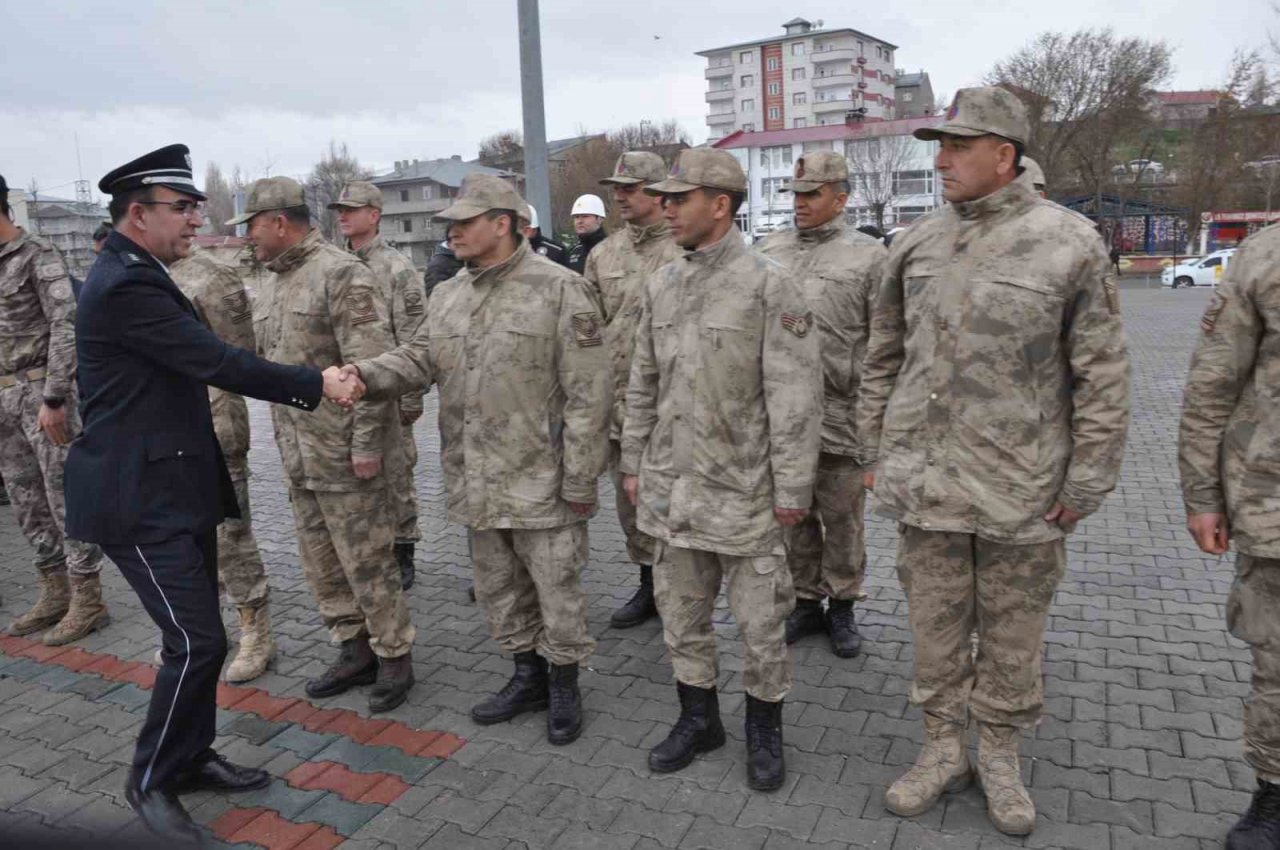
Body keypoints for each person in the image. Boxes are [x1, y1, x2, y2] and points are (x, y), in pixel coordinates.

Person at [857, 87, 1130, 835]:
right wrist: (875, 451)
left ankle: (1000, 756)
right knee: (935, 630)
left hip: (1023, 489)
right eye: (938, 145)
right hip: (927, 486)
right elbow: (881, 357)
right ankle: (943, 748)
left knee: (1012, 637)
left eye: (958, 146)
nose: (940, 160)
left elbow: (1102, 374)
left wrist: (1088, 480)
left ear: (1004, 155)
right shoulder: (913, 244)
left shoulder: (1068, 243)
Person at [66, 144, 357, 840]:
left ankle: (192, 756)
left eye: (197, 206)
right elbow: (212, 360)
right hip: (133, 497)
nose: (196, 219)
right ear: (138, 214)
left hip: (171, 484)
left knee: (206, 637)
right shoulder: (125, 285)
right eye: (183, 207)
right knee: (194, 642)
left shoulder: (139, 270)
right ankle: (150, 779)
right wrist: (315, 382)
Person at [342, 173, 610, 746]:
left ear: (503, 224)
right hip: (477, 476)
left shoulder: (562, 289)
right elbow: (418, 358)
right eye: (451, 224)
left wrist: (583, 476)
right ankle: (526, 675)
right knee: (499, 589)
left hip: (544, 477)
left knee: (556, 590)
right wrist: (363, 375)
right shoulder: (448, 294)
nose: (453, 233)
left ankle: (564, 683)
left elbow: (590, 395)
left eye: (464, 222)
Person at [621, 149, 822, 791]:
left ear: (721, 204)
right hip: (674, 491)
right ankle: (698, 718)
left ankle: (764, 729)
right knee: (681, 616)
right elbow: (642, 381)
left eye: (681, 198)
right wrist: (632, 461)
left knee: (761, 624)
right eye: (667, 198)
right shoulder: (662, 282)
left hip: (744, 492)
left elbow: (795, 396)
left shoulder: (771, 283)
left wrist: (792, 487)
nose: (668, 207)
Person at [225, 176, 416, 716]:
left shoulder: (341, 275)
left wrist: (366, 446)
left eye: (254, 227)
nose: (250, 238)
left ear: (279, 223)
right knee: (320, 562)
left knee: (368, 560)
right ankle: (352, 649)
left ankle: (395, 655)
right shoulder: (273, 282)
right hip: (297, 454)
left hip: (343, 453)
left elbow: (372, 370)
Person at [758, 151, 887, 659]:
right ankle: (805, 602)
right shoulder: (770, 249)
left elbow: (885, 340)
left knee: (843, 519)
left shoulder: (870, 257)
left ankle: (844, 605)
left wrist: (879, 421)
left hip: (843, 412)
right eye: (796, 195)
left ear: (841, 197)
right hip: (784, 414)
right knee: (795, 514)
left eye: (813, 195)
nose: (801, 204)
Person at [1178, 223, 1280, 849]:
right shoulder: (1266, 254)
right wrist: (1203, 494)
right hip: (1273, 506)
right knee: (1276, 666)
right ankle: (1274, 793)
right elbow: (1212, 385)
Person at [0, 172, 109, 646]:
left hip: (41, 395)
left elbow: (66, 326)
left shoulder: (37, 256)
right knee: (25, 499)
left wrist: (56, 397)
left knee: (66, 496)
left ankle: (89, 599)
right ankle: (53, 590)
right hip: (4, 399)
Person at [582, 151, 682, 629]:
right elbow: (588, 330)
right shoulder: (604, 255)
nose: (618, 195)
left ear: (659, 192)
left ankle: (683, 591)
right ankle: (649, 588)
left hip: (678, 409)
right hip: (622, 408)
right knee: (633, 508)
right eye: (616, 188)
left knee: (679, 509)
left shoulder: (686, 248)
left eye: (629, 187)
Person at [169, 245, 274, 682]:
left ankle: (257, 631)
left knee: (230, 534)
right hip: (164, 423)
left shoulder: (211, 276)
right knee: (185, 534)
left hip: (214, 417)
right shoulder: (140, 273)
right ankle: (203, 630)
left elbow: (240, 352)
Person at [329, 181, 427, 590]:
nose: (343, 216)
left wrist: (411, 396)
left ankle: (404, 550)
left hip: (387, 389)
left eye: (352, 209)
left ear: (374, 214)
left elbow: (415, 337)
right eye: (340, 210)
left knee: (398, 474)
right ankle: (372, 547)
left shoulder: (396, 268)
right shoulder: (335, 265)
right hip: (344, 390)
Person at [567, 194, 607, 274]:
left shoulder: (611, 249)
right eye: (576, 217)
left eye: (585, 216)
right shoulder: (574, 251)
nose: (579, 221)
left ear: (599, 219)